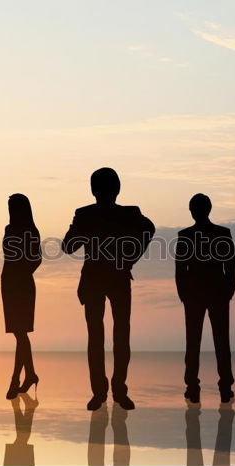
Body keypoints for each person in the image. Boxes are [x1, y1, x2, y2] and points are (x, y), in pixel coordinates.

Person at [62, 167, 155, 411]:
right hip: (102, 279)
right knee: (105, 336)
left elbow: (149, 229)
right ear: (117, 188)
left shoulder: (121, 213)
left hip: (111, 278)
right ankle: (103, 392)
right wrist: (130, 255)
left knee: (113, 336)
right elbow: (68, 246)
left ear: (93, 189)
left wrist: (130, 256)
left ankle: (114, 391)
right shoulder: (90, 214)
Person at [175, 194, 235, 404]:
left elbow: (181, 269)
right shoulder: (220, 233)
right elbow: (180, 268)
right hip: (208, 294)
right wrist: (183, 293)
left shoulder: (187, 235)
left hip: (206, 294)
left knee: (196, 341)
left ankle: (197, 386)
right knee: (218, 341)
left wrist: (228, 291)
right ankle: (220, 386)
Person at [1, 194, 42, 399]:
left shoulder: (31, 231)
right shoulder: (9, 229)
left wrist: (23, 273)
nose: (10, 210)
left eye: (13, 207)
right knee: (18, 333)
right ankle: (30, 375)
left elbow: (37, 258)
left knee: (21, 333)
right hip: (8, 283)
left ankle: (16, 378)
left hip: (22, 284)